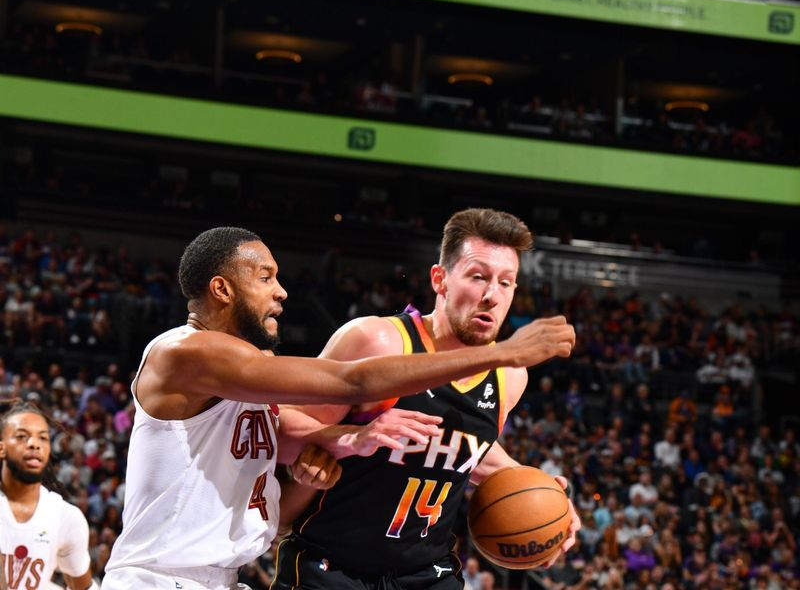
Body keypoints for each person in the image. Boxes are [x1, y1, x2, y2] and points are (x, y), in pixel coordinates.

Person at [101, 226, 575, 590]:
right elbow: (352, 382)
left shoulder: (251, 375)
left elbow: (286, 491)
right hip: (157, 578)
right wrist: (504, 351)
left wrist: (338, 440)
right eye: (266, 278)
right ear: (222, 290)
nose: (282, 291)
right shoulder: (188, 354)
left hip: (224, 577)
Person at [273, 209, 581, 589]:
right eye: (478, 277)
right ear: (440, 279)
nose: (491, 295)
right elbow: (283, 433)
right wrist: (349, 438)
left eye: (506, 283)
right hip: (332, 566)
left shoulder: (510, 378)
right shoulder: (378, 341)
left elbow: (469, 447)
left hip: (425, 574)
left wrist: (548, 497)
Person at [0, 401, 95, 590]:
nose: (34, 444)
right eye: (21, 436)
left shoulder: (66, 517)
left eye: (43, 438)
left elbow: (83, 587)